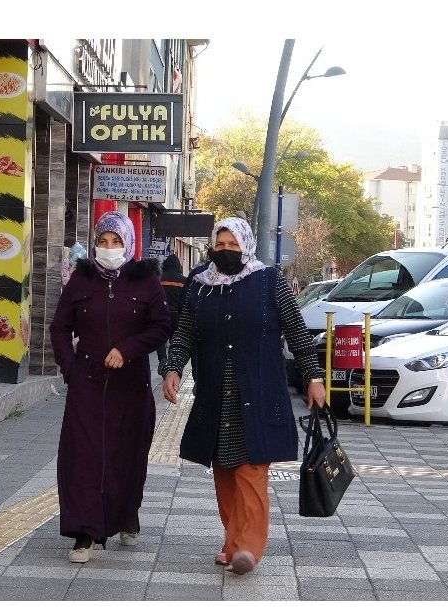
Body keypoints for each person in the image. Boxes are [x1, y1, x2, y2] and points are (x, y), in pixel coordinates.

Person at [159, 217, 326, 575]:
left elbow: (296, 330)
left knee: (251, 470)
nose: (226, 252)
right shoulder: (199, 285)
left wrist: (313, 376)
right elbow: (186, 331)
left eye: (233, 245)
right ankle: (233, 541)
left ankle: (248, 547)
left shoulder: (268, 282)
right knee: (224, 472)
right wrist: (172, 368)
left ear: (246, 246)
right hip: (215, 394)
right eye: (220, 246)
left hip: (259, 393)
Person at [50, 212, 171, 563]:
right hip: (87, 383)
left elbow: (161, 326)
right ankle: (84, 533)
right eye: (102, 242)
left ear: (128, 244)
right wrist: (70, 368)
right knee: (83, 457)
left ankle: (127, 512)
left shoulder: (145, 281)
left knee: (126, 456)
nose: (108, 248)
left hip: (130, 386)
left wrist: (128, 350)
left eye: (116, 242)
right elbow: (59, 327)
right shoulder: (81, 280)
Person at [155, 254, 185, 370]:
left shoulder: (159, 279)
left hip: (162, 314)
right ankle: (172, 361)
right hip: (177, 314)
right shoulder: (183, 281)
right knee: (175, 339)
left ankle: (162, 358)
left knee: (160, 338)